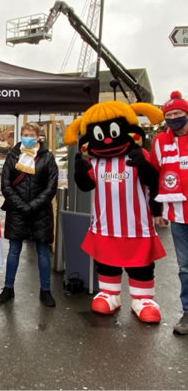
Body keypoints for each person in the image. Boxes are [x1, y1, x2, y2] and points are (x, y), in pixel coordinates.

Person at [65, 100, 166, 323]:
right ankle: (110, 294)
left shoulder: (139, 157)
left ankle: (142, 299)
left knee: (140, 264)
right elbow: (86, 186)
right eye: (101, 135)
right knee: (107, 262)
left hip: (136, 226)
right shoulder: (96, 163)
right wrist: (79, 173)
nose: (109, 139)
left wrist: (145, 166)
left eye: (114, 132)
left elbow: (154, 181)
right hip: (105, 225)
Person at [0, 123, 59, 307]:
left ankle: (46, 290)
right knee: (14, 250)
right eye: (24, 134)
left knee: (43, 252)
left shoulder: (47, 157)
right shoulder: (12, 156)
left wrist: (32, 205)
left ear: (38, 136)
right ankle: (8, 287)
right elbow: (5, 184)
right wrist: (21, 205)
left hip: (40, 212)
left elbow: (51, 186)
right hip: (17, 211)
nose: (27, 137)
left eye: (31, 134)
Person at [151, 91, 188, 335]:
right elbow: (155, 176)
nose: (174, 118)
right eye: (170, 115)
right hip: (178, 216)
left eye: (178, 113)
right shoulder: (160, 142)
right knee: (185, 267)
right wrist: (157, 211)